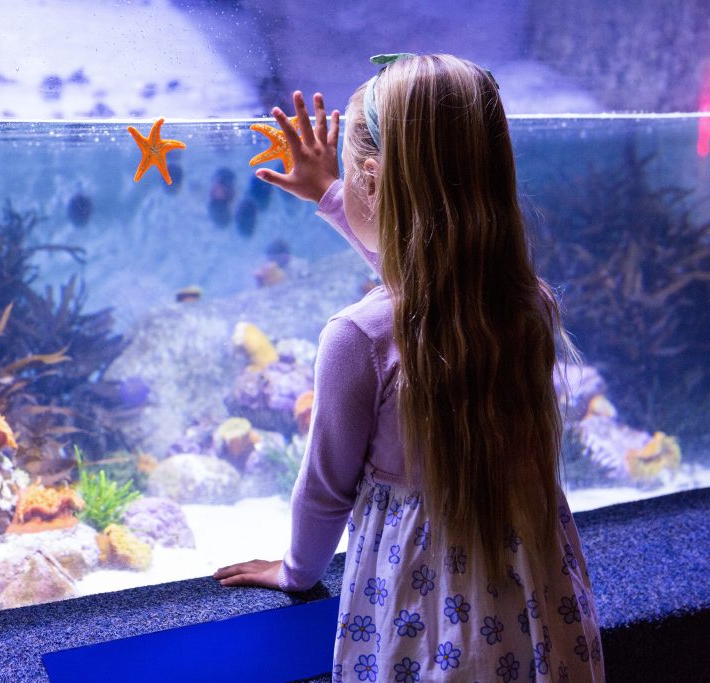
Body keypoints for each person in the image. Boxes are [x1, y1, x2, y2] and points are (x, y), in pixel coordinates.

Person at [213, 54, 605, 682]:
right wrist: (335, 195)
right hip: (536, 603)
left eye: (352, 175)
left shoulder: (356, 338)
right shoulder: (530, 304)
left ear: (372, 176)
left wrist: (295, 572)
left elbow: (326, 488)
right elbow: (430, 282)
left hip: (423, 609)